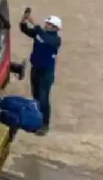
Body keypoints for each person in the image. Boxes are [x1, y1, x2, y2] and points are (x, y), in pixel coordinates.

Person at [19, 8, 62, 136]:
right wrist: (24, 20)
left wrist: (34, 23)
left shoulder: (55, 40)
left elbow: (45, 38)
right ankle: (36, 121)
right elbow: (25, 30)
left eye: (49, 24)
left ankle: (45, 125)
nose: (46, 25)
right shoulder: (40, 34)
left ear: (55, 28)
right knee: (36, 96)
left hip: (46, 73)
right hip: (35, 69)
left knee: (43, 98)